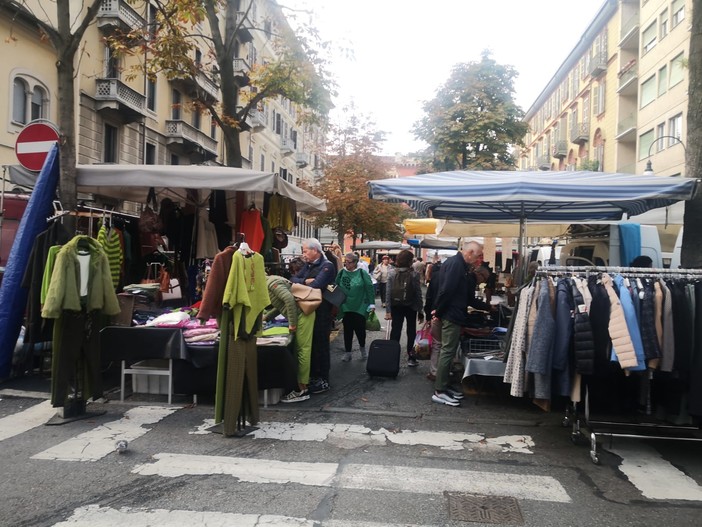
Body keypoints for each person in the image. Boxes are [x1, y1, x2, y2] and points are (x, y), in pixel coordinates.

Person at [432, 241, 493, 406]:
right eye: (478, 255)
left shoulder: (458, 264)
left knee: (448, 352)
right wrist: (438, 312)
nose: (479, 259)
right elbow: (447, 290)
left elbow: (452, 291)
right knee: (447, 352)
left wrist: (486, 306)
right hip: (451, 314)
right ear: (470, 252)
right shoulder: (457, 265)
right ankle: (440, 390)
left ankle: (443, 387)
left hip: (452, 313)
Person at [290, 238, 337, 394]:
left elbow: (317, 285)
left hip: (323, 311)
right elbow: (292, 280)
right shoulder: (309, 265)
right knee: (312, 345)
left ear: (315, 250)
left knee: (321, 345)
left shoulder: (327, 266)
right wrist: (306, 280)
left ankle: (323, 380)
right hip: (310, 310)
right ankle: (313, 377)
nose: (303, 254)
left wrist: (303, 283)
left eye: (305, 251)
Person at [262, 274, 314, 403]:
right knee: (300, 350)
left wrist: (292, 323)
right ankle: (301, 384)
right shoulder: (271, 281)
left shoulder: (271, 284)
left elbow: (289, 300)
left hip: (303, 315)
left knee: (303, 351)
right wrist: (267, 317)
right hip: (302, 314)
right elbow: (281, 305)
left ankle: (302, 389)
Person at [385, 249, 424, 367]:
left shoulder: (391, 273)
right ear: (409, 261)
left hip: (396, 306)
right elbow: (418, 293)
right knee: (411, 331)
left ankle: (392, 356)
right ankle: (411, 358)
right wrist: (420, 310)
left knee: (395, 330)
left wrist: (388, 311)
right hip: (411, 306)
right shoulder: (414, 274)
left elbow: (388, 293)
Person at [336, 252, 376, 362]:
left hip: (360, 306)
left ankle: (362, 349)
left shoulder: (362, 273)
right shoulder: (341, 273)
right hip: (346, 306)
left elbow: (369, 289)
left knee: (360, 330)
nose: (346, 264)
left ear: (355, 262)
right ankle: (348, 352)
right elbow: (336, 286)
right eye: (345, 262)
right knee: (347, 330)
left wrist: (372, 303)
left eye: (348, 262)